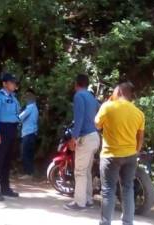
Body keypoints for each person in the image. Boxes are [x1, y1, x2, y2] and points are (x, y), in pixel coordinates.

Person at [95, 82, 145, 225]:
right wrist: (135, 152)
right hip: (130, 155)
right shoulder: (139, 113)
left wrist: (107, 103)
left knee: (108, 190)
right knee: (128, 188)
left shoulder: (108, 107)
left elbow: (97, 124)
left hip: (110, 155)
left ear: (118, 92)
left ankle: (105, 223)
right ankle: (128, 222)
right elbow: (140, 138)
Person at [64, 74, 100, 210]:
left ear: (76, 83)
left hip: (85, 137)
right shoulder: (91, 97)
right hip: (95, 137)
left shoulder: (79, 96)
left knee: (80, 171)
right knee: (87, 171)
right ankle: (88, 200)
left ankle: (79, 203)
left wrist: (74, 138)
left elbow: (78, 119)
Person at [0, 73, 20, 201]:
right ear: (4, 83)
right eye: (12, 82)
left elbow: (17, 114)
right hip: (2, 129)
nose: (14, 84)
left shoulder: (14, 97)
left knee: (7, 161)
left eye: (15, 82)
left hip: (11, 130)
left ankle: (5, 188)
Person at [18, 88, 39, 180]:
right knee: (29, 154)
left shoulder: (30, 108)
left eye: (28, 96)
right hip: (31, 134)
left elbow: (20, 118)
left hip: (28, 134)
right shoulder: (34, 108)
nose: (26, 98)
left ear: (33, 97)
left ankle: (28, 173)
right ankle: (30, 173)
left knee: (26, 153)